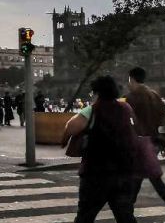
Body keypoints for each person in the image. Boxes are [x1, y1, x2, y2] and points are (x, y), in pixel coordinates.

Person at [64, 76, 139, 223]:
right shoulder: (126, 108)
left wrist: (64, 139)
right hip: (124, 172)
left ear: (97, 92)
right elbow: (134, 129)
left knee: (85, 216)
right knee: (125, 216)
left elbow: (70, 128)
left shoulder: (91, 110)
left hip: (96, 174)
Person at [125, 67, 165, 223]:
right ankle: (127, 212)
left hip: (141, 144)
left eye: (129, 80)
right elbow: (164, 120)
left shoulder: (132, 98)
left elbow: (131, 124)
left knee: (144, 178)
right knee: (143, 178)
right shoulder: (155, 95)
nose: (128, 83)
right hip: (155, 143)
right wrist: (163, 143)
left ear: (132, 79)